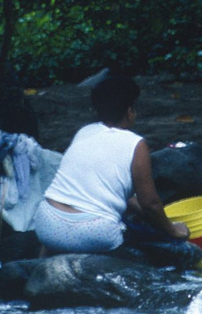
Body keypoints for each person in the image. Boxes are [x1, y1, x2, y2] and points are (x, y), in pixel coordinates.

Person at [32, 73, 189, 254]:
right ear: (129, 111)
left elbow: (106, 189)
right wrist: (172, 229)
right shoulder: (137, 144)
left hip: (46, 223)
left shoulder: (84, 132)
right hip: (92, 231)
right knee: (156, 241)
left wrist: (144, 213)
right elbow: (151, 204)